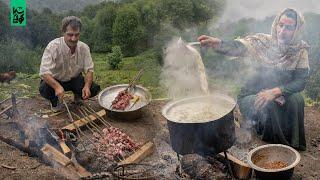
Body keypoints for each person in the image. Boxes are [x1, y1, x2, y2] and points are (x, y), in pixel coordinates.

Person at [198, 8, 309, 150]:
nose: (282, 31)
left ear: (297, 30)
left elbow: (301, 81)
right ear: (276, 24)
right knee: (268, 104)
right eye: (280, 25)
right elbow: (238, 46)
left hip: (278, 94)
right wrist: (218, 43)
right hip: (251, 94)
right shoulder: (262, 42)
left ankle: (293, 141)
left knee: (297, 100)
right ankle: (271, 139)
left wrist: (277, 91)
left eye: (289, 28)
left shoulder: (300, 50)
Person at [39, 16, 100, 112]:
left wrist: (87, 86)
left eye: (77, 35)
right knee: (44, 89)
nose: (73, 38)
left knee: (94, 88)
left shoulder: (84, 48)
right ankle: (54, 101)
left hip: (74, 80)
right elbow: (44, 72)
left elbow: (89, 70)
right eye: (70, 34)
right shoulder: (53, 47)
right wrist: (57, 87)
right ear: (63, 32)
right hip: (56, 80)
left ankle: (78, 96)